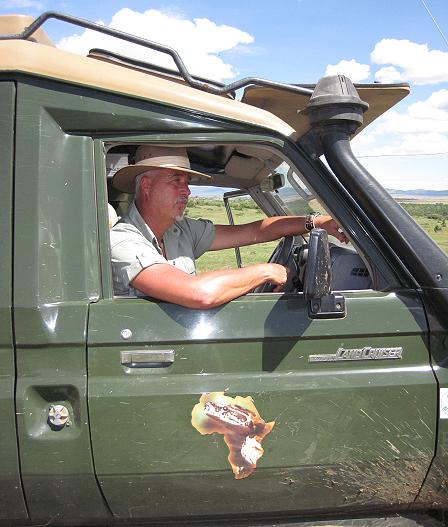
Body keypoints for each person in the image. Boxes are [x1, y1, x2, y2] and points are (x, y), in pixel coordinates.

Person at [110, 145, 347, 309]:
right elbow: (200, 293)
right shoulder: (123, 242)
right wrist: (265, 271)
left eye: (187, 182)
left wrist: (315, 222)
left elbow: (255, 231)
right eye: (176, 181)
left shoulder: (180, 230)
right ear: (147, 186)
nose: (187, 191)